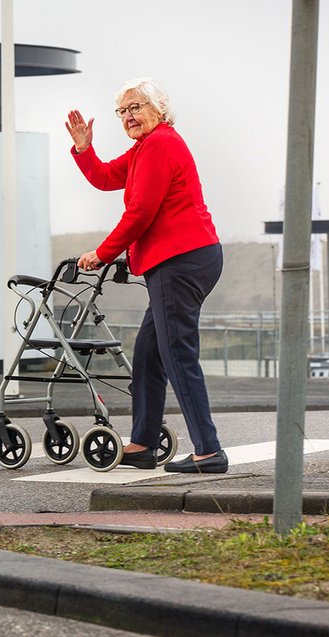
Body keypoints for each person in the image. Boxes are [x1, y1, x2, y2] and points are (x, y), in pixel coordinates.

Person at [64, 77, 226, 474]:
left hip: (180, 259)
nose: (128, 117)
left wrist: (102, 254)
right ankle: (142, 444)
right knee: (150, 356)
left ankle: (209, 451)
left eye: (135, 107)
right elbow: (105, 177)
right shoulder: (144, 148)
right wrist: (84, 149)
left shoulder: (160, 144)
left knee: (177, 355)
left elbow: (140, 213)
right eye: (122, 111)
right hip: (182, 259)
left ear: (159, 109)